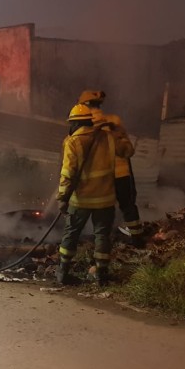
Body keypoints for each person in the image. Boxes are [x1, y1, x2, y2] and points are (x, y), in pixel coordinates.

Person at [56, 103, 134, 286]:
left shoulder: (73, 142)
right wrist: (120, 132)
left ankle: (62, 273)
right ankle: (101, 276)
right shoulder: (108, 138)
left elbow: (68, 173)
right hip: (105, 200)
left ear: (75, 124)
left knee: (71, 234)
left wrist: (62, 198)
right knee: (102, 236)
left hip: (80, 199)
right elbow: (129, 151)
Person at [77, 89, 143, 239]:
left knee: (104, 209)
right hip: (122, 175)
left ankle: (105, 240)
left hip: (101, 177)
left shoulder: (83, 127)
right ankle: (138, 240)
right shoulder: (114, 121)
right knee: (128, 206)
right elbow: (128, 151)